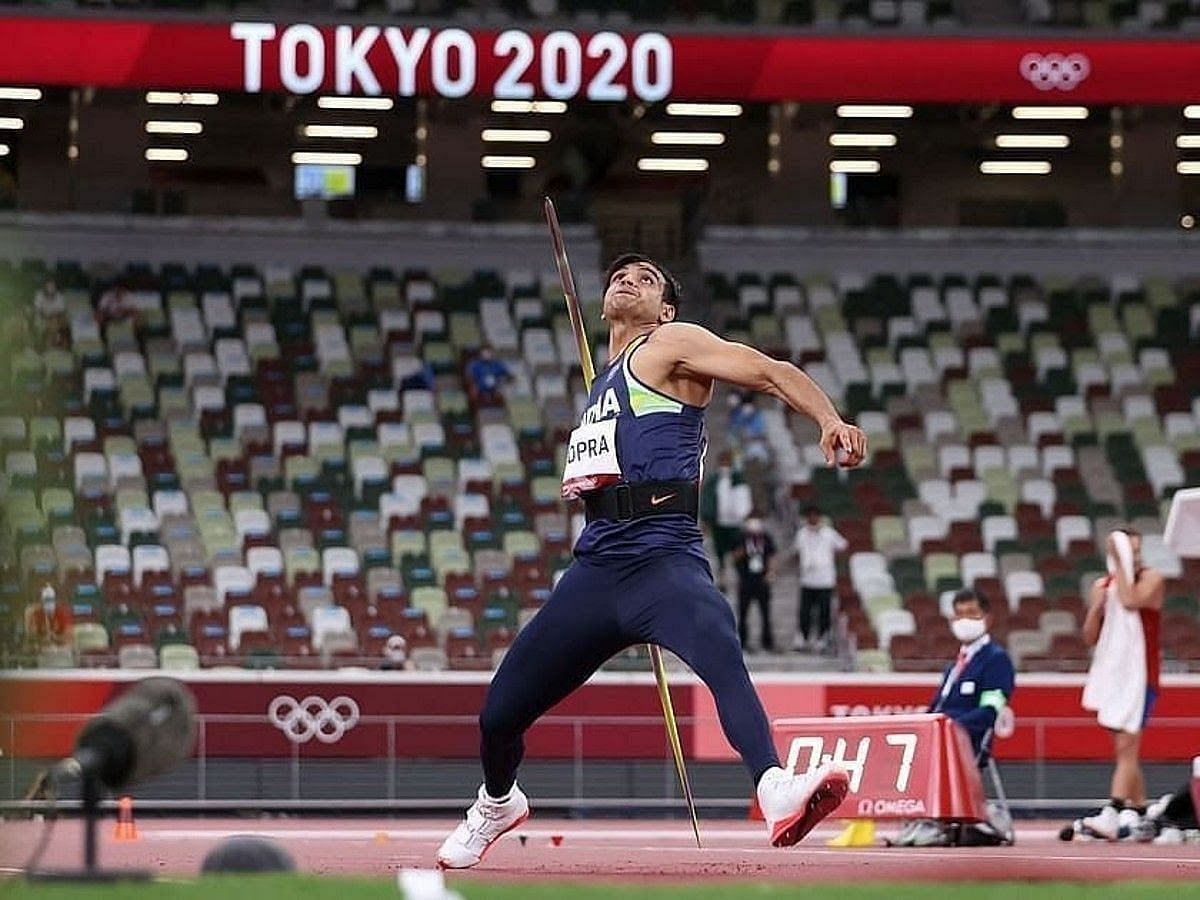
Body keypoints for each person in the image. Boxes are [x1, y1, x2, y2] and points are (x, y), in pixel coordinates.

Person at [436, 253, 867, 869]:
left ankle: (774, 787)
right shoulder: (599, 386)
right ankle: (497, 803)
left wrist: (828, 418)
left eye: (646, 278)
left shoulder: (670, 344)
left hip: (663, 554)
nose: (628, 279)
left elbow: (770, 372)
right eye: (620, 275)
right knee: (500, 713)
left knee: (720, 649)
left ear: (666, 308)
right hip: (598, 566)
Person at [890, 587, 1016, 847]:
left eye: (972, 613)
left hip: (968, 740)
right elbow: (936, 706)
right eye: (959, 615)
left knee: (934, 744)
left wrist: (949, 728)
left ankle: (936, 821)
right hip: (939, 736)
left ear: (987, 617)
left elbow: (990, 710)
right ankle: (918, 818)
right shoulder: (954, 666)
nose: (965, 620)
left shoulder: (996, 659)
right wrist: (922, 727)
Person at [1079, 526, 1164, 840]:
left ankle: (1113, 810)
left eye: (1136, 551)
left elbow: (1131, 601)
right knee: (1125, 749)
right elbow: (1090, 636)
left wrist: (1121, 565)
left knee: (1127, 745)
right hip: (1116, 674)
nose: (1134, 557)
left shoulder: (1152, 578)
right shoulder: (1103, 585)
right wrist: (1096, 605)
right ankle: (1143, 813)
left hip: (1141, 675)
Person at [792, 506, 847, 652]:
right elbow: (796, 552)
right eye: (810, 516)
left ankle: (822, 639)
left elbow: (843, 546)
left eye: (815, 516)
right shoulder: (801, 534)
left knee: (824, 611)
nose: (812, 519)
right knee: (805, 611)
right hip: (807, 579)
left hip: (825, 579)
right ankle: (803, 638)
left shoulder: (829, 533)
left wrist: (829, 560)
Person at [700, 452, 752, 590]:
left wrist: (745, 515)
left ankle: (741, 577)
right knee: (720, 552)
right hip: (719, 522)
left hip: (735, 523)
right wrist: (707, 518)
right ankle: (722, 580)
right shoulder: (714, 480)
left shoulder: (738, 479)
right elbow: (707, 499)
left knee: (738, 551)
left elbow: (744, 498)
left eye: (727, 462)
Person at [731, 513, 778, 653]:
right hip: (746, 580)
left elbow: (772, 555)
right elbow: (734, 556)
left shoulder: (766, 538)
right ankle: (742, 642)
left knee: (765, 613)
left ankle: (767, 642)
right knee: (743, 613)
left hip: (762, 580)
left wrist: (771, 572)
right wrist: (746, 548)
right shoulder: (740, 538)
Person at [25, 584, 72, 650]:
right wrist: (42, 639)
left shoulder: (63, 613)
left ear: (56, 600)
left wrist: (55, 637)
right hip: (41, 649)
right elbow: (32, 636)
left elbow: (68, 636)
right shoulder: (35, 614)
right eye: (46, 600)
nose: (48, 603)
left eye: (51, 600)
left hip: (60, 649)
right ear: (41, 601)